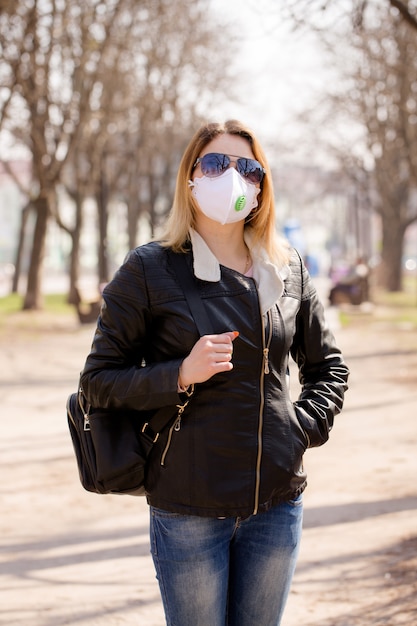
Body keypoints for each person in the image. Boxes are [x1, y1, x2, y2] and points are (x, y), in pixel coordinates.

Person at [80, 119, 349, 626]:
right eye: (215, 163)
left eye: (248, 167)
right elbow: (97, 382)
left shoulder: (287, 267)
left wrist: (302, 428)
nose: (232, 176)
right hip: (188, 510)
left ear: (261, 185)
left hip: (276, 503)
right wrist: (180, 372)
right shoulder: (149, 269)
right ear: (190, 177)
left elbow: (328, 365)